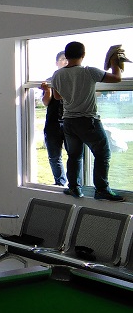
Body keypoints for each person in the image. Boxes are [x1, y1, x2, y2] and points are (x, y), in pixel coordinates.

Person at [50, 41, 124, 201]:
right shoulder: (89, 71)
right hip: (87, 120)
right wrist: (114, 62)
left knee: (74, 155)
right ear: (83, 55)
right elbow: (117, 78)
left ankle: (74, 188)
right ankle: (102, 189)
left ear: (66, 56)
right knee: (103, 154)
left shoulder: (57, 74)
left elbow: (57, 96)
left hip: (68, 121)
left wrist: (71, 92)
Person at [40, 51, 68, 186]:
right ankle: (60, 182)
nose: (65, 61)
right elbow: (46, 102)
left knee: (74, 155)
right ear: (57, 63)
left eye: (67, 59)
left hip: (70, 121)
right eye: (62, 59)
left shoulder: (74, 80)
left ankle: (76, 184)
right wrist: (47, 90)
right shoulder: (50, 80)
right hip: (53, 122)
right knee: (54, 156)